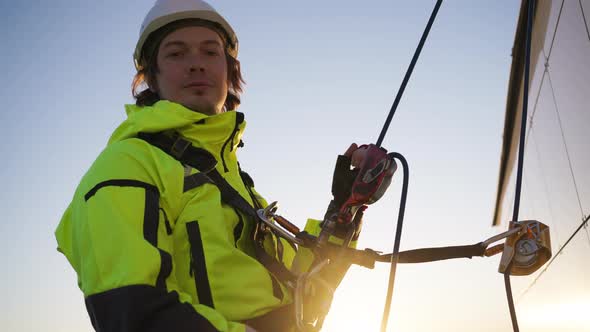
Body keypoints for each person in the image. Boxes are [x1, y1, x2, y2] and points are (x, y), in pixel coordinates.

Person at [55, 1, 391, 331]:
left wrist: (346, 209)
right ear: (151, 78)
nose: (196, 64)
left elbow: (309, 297)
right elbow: (130, 313)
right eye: (176, 53)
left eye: (210, 52)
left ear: (229, 70)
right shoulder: (126, 165)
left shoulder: (240, 187)